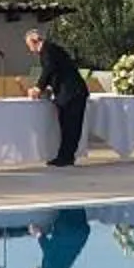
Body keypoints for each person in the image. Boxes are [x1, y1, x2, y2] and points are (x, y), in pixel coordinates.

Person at [25, 27, 86, 168]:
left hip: (72, 93)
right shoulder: (50, 50)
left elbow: (49, 69)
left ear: (35, 41)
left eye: (29, 45)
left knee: (70, 126)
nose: (30, 50)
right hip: (69, 93)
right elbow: (56, 72)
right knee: (68, 126)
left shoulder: (48, 50)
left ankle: (65, 157)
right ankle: (66, 156)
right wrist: (48, 87)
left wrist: (38, 88)